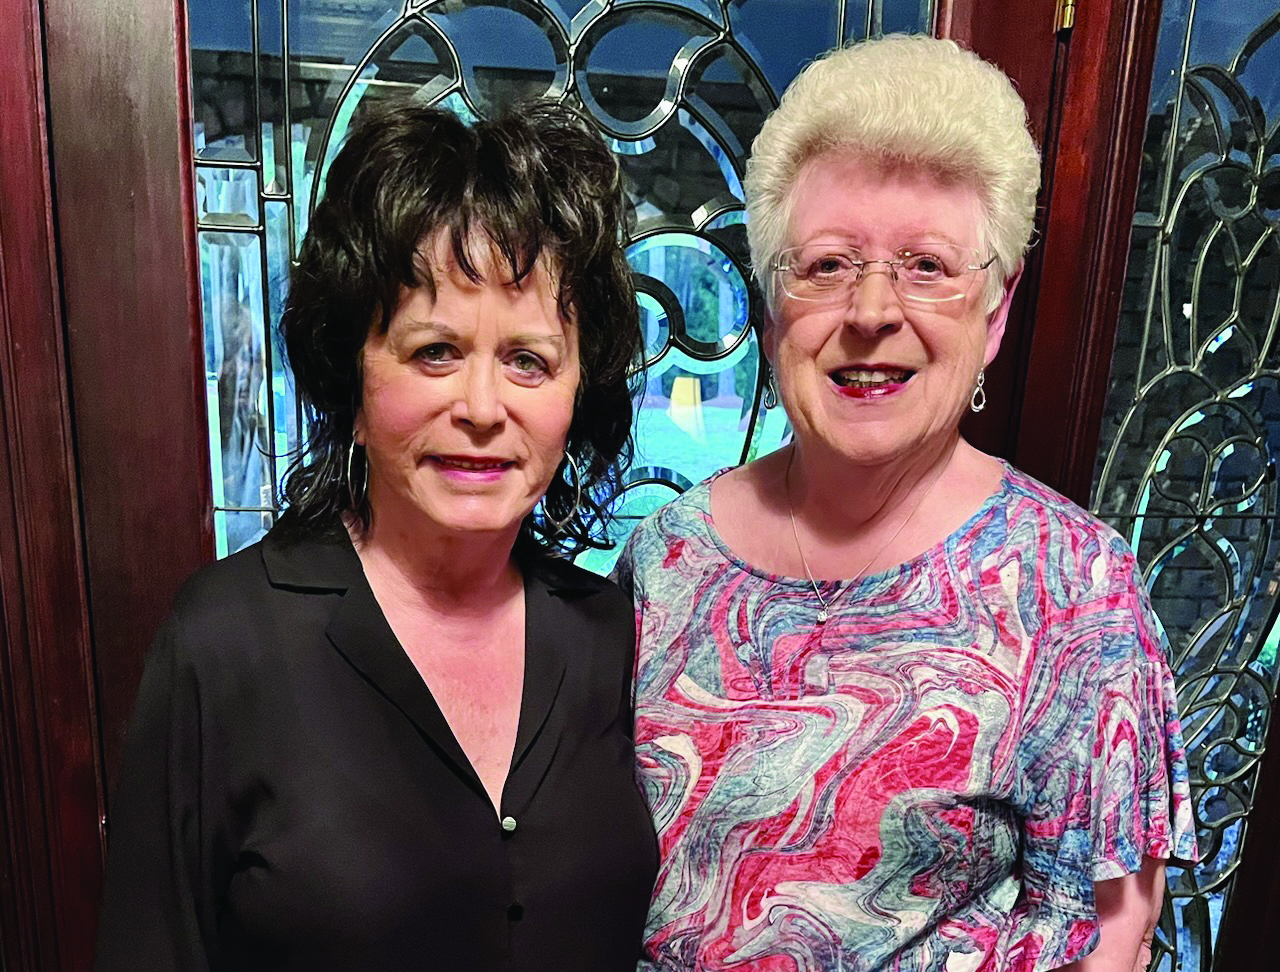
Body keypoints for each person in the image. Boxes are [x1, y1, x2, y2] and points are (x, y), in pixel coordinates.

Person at [615, 35, 1196, 972]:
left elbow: (1110, 930)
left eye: (927, 265)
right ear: (772, 303)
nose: (872, 311)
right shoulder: (665, 559)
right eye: (827, 265)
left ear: (995, 312)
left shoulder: (1076, 587)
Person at [94, 99, 657, 971]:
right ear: (351, 381)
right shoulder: (226, 642)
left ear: (576, 395)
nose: (481, 408)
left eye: (528, 360)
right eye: (434, 351)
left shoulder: (609, 635)